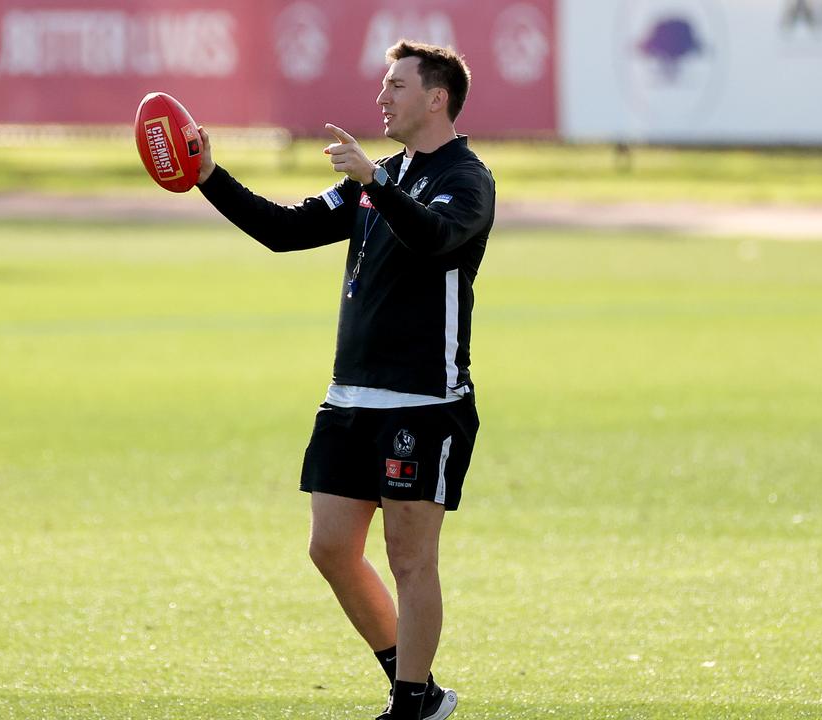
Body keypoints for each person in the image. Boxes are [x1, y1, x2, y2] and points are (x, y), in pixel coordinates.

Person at [193, 40, 495, 720]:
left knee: (409, 556)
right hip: (351, 397)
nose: (381, 97)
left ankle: (412, 702)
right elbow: (285, 229)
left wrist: (377, 183)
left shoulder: (467, 178)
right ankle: (411, 681)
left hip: (425, 400)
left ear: (436, 97)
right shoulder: (376, 176)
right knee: (330, 547)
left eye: (396, 86)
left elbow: (437, 239)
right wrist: (210, 175)